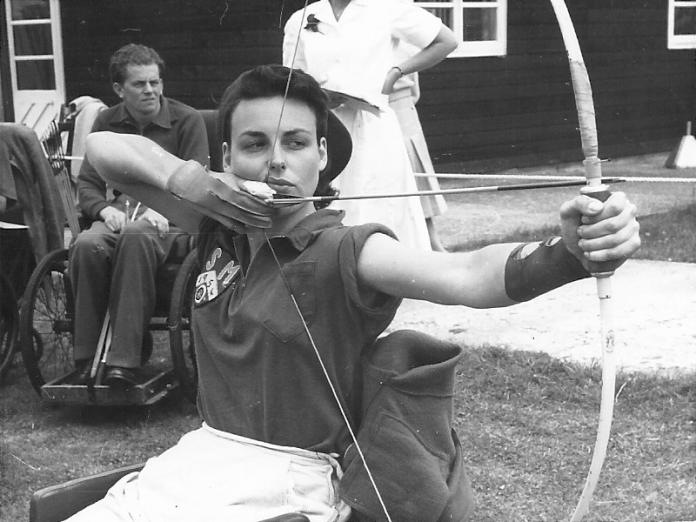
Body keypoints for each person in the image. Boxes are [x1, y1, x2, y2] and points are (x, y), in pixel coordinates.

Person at [71, 64, 640, 521]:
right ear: (227, 159)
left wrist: (569, 253)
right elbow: (102, 151)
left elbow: (469, 275)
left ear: (322, 157)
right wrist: (187, 181)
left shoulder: (345, 250)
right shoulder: (219, 228)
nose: (275, 161)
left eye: (295, 143)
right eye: (253, 144)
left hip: (289, 488)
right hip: (204, 459)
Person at [68, 43, 209, 387]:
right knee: (87, 243)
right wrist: (102, 209)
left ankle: (124, 361)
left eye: (155, 82)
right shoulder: (106, 121)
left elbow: (198, 183)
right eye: (139, 84)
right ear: (119, 89)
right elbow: (87, 183)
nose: (150, 90)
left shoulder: (186, 121)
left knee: (136, 235)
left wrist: (161, 207)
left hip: (175, 221)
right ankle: (87, 357)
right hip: (122, 216)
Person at [282, 0, 457, 251]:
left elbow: (446, 41)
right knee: (332, 208)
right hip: (326, 128)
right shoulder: (302, 18)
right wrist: (317, 96)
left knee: (380, 209)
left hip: (374, 128)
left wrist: (395, 72)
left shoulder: (385, 8)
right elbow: (291, 79)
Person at [389, 31, 448, 251]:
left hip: (401, 108)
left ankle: (433, 242)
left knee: (415, 175)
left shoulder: (403, 37)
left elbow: (414, 89)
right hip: (389, 108)